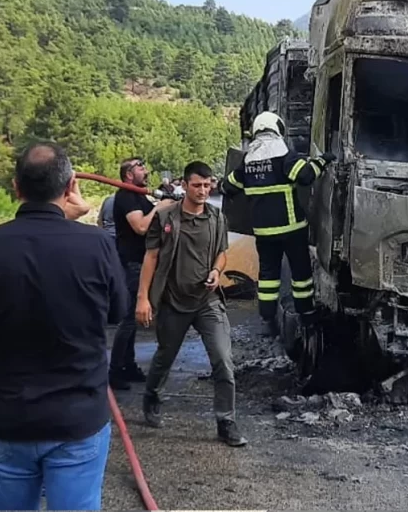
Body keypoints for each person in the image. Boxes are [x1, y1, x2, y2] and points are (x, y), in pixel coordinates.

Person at [0, 141, 128, 512]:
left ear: (16, 187)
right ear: (69, 187)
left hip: (8, 420)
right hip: (78, 421)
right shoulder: (96, 245)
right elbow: (118, 311)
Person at [135, 160, 247, 447]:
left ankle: (226, 421)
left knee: (223, 360)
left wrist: (216, 271)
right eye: (196, 185)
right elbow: (151, 257)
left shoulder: (216, 217)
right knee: (165, 356)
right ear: (184, 185)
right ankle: (152, 396)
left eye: (207, 185)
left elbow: (222, 252)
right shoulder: (167, 218)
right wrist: (143, 298)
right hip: (173, 300)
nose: (202, 190)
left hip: (206, 301)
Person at [221, 111, 332, 335]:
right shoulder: (285, 156)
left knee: (268, 277)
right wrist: (322, 161)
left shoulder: (248, 161)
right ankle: (307, 316)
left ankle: (267, 321)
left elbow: (228, 186)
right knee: (300, 275)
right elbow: (306, 176)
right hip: (292, 230)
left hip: (264, 233)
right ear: (276, 128)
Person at [110, 157, 172, 389]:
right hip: (131, 264)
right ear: (128, 174)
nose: (145, 171)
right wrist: (159, 207)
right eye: (140, 167)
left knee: (133, 320)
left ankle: (128, 365)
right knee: (129, 318)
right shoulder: (125, 196)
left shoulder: (137, 195)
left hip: (141, 262)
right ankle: (115, 370)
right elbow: (141, 227)